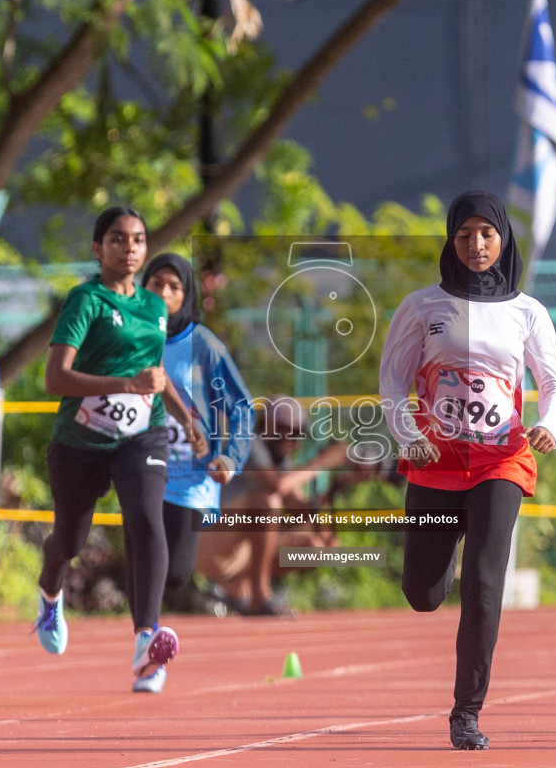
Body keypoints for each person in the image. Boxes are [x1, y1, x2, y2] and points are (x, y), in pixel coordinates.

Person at [379, 190, 556, 750]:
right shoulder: (421, 306)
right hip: (434, 465)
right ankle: (429, 578)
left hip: (501, 461)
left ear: (503, 237)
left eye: (487, 234)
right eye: (464, 235)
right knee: (422, 592)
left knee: (484, 584)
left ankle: (467, 712)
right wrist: (409, 437)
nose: (477, 244)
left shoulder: (527, 312)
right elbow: (393, 384)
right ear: (451, 240)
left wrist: (549, 427)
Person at [32, 205, 207, 694]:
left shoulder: (155, 307)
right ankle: (50, 593)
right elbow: (55, 378)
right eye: (116, 239)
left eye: (136, 239)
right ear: (97, 248)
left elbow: (155, 373)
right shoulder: (85, 300)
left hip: (141, 435)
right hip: (80, 441)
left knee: (147, 521)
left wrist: (186, 419)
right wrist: (124, 384)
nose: (128, 247)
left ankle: (146, 642)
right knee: (69, 541)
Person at [140, 252, 254, 609]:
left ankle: (152, 624)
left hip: (190, 474)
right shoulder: (132, 338)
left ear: (185, 295)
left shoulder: (202, 343)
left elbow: (242, 406)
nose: (163, 292)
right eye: (156, 283)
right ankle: (145, 635)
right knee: (146, 565)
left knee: (174, 574)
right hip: (142, 464)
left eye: (174, 286)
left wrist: (231, 458)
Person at [200, 398, 347, 615]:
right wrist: (323, 462)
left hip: (237, 551)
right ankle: (259, 597)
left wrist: (339, 485)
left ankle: (236, 587)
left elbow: (301, 510)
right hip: (208, 543)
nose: (295, 442)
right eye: (291, 433)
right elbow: (275, 486)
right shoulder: (248, 443)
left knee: (319, 546)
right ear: (271, 427)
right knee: (266, 501)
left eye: (299, 434)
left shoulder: (279, 460)